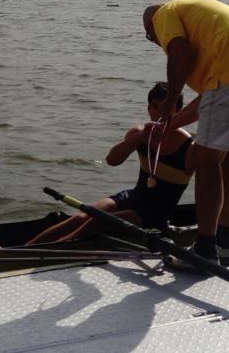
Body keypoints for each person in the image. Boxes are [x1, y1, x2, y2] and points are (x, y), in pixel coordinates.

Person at [142, 0, 229, 267]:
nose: (157, 42)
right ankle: (223, 242)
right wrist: (171, 124)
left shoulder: (163, 14)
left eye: (151, 37)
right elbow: (209, 98)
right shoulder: (200, 26)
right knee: (226, 156)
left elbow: (180, 53)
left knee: (205, 157)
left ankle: (205, 250)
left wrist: (170, 100)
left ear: (151, 27)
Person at [23, 82, 195, 245]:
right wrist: (140, 137)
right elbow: (112, 160)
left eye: (166, 110)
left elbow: (206, 187)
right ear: (148, 108)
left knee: (94, 224)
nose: (159, 115)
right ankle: (22, 250)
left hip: (155, 215)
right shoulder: (139, 133)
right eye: (155, 107)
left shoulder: (189, 147)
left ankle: (44, 254)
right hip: (133, 197)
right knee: (81, 217)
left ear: (179, 112)